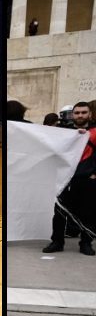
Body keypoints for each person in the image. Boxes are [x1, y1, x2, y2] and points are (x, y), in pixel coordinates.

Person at [43, 101, 96, 256]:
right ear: (73, 114)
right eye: (77, 112)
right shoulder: (63, 132)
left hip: (87, 179)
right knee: (59, 213)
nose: (80, 115)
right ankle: (57, 242)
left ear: (90, 114)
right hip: (65, 179)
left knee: (88, 213)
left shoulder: (94, 132)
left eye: (83, 112)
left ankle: (86, 244)